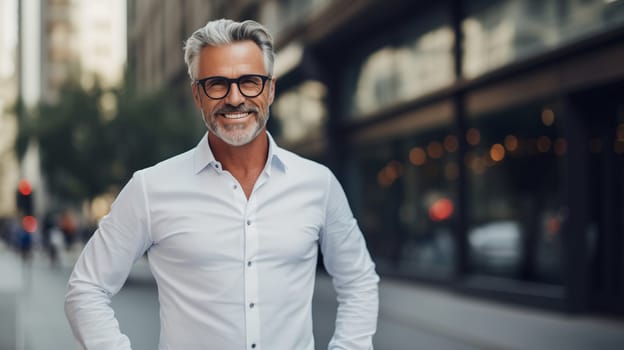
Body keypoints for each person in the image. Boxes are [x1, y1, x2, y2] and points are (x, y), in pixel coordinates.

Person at [64, 18, 379, 350]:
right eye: (217, 84)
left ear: (270, 90)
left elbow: (358, 280)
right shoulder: (150, 189)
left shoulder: (318, 184)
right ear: (197, 95)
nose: (234, 98)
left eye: (249, 82)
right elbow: (86, 288)